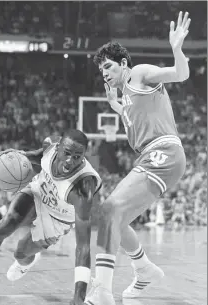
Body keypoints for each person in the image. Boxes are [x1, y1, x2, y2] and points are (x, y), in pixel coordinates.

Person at [85, 11, 190, 304]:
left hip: (164, 152)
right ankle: (142, 269)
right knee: (114, 218)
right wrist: (114, 106)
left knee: (108, 211)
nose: (104, 73)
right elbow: (133, 113)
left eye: (108, 67)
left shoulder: (140, 73)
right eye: (101, 70)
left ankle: (103, 292)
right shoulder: (127, 98)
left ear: (122, 64)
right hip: (152, 155)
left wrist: (177, 50)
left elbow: (180, 74)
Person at [0, 129, 102, 305]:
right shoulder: (50, 145)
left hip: (57, 218)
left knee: (20, 252)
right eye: (67, 153)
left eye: (77, 157)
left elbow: (83, 246)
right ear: (58, 148)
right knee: (5, 224)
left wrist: (78, 298)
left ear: (84, 156)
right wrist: (19, 155)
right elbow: (37, 156)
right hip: (39, 191)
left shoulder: (82, 189)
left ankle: (24, 264)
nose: (70, 161)